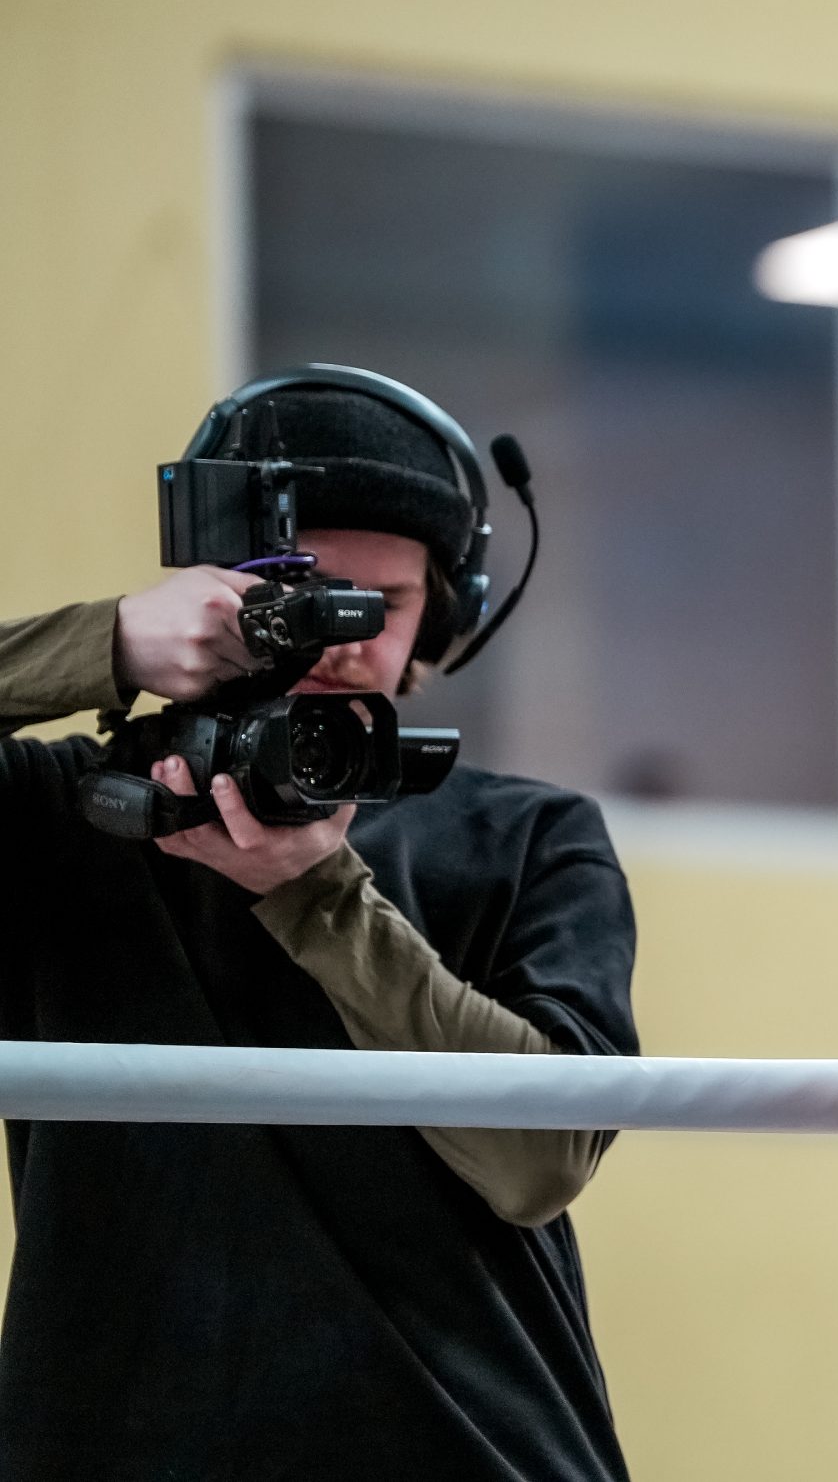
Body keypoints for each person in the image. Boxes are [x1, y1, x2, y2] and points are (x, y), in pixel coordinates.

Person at [0, 368, 638, 1481]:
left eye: (380, 604)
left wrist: (320, 895)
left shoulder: (531, 834)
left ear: (441, 618)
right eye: (299, 598)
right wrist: (103, 644)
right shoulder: (66, 807)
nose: (336, 640)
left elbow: (540, 1161)